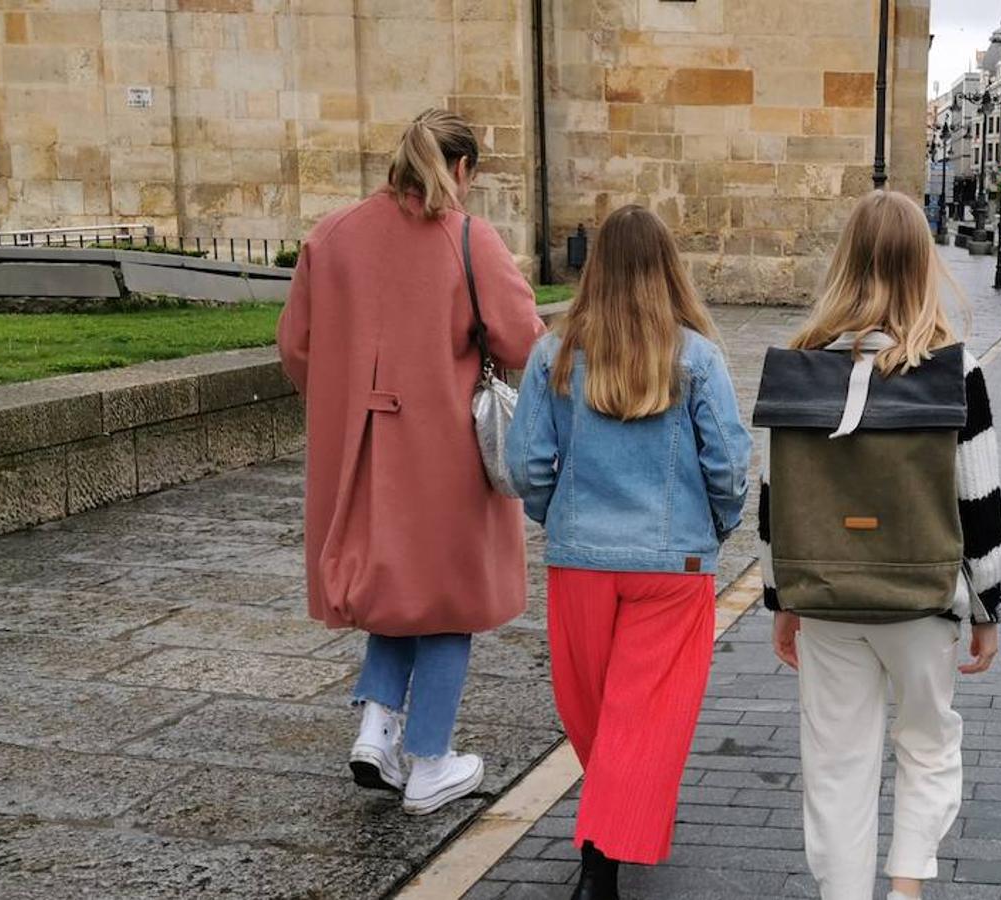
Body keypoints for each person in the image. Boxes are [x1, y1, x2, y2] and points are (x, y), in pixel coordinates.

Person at [278, 109, 545, 815]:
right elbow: (523, 341)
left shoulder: (331, 235)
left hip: (358, 449)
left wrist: (346, 402)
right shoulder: (466, 238)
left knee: (393, 586)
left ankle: (376, 729)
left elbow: (297, 347)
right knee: (449, 598)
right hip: (443, 449)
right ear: (461, 170)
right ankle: (428, 761)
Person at [758, 191, 1001, 900]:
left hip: (830, 597)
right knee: (928, 745)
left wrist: (782, 599)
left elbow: (778, 495)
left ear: (846, 262)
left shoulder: (800, 364)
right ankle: (905, 890)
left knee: (837, 764)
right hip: (922, 597)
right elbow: (980, 503)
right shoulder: (953, 372)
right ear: (921, 265)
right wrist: (988, 607)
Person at [504, 205, 753, 900]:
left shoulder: (554, 354)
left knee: (594, 712)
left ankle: (602, 849)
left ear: (596, 269)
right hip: (673, 566)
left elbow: (525, 464)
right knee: (644, 714)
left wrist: (557, 519)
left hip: (582, 562)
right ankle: (603, 850)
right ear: (668, 269)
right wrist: (716, 528)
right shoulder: (696, 356)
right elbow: (729, 465)